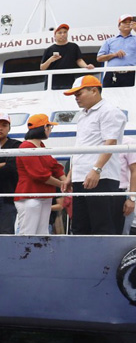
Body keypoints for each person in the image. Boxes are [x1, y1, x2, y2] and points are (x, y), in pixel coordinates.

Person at [64, 74, 128, 235]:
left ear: (94, 90)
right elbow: (82, 146)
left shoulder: (109, 111)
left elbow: (110, 142)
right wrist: (71, 175)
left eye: (78, 94)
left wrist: (96, 170)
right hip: (83, 176)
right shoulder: (84, 115)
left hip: (102, 177)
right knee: (80, 227)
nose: (76, 98)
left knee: (102, 226)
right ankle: (83, 260)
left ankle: (104, 261)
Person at [13, 115, 68, 235]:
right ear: (44, 127)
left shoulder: (40, 146)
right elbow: (39, 174)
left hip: (42, 195)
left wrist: (65, 180)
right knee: (29, 233)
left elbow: (54, 166)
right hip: (30, 195)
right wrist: (63, 183)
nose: (50, 130)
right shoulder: (26, 146)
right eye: (50, 127)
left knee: (41, 233)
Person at [40, 23, 93, 90]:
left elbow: (79, 60)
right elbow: (42, 68)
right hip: (52, 84)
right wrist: (50, 60)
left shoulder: (74, 47)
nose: (63, 34)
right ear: (55, 35)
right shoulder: (49, 49)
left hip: (69, 83)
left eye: (65, 32)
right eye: (60, 33)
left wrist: (86, 66)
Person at [97, 14, 136, 88]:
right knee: (109, 97)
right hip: (112, 74)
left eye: (130, 22)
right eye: (124, 22)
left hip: (131, 75)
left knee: (130, 98)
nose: (127, 24)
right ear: (119, 26)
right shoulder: (109, 41)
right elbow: (99, 58)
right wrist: (114, 54)